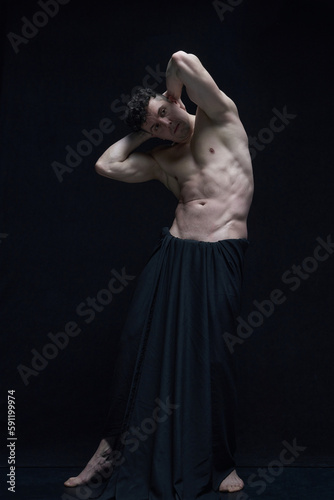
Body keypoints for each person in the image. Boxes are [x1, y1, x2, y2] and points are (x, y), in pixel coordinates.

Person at [64, 50, 253, 498]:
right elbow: (105, 165)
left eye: (165, 115)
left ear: (176, 101)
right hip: (171, 254)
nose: (164, 126)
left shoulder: (220, 119)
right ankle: (108, 451)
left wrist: (169, 98)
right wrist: (141, 131)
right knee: (136, 346)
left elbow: (181, 58)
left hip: (218, 252)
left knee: (213, 359)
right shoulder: (163, 159)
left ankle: (223, 463)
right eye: (155, 126)